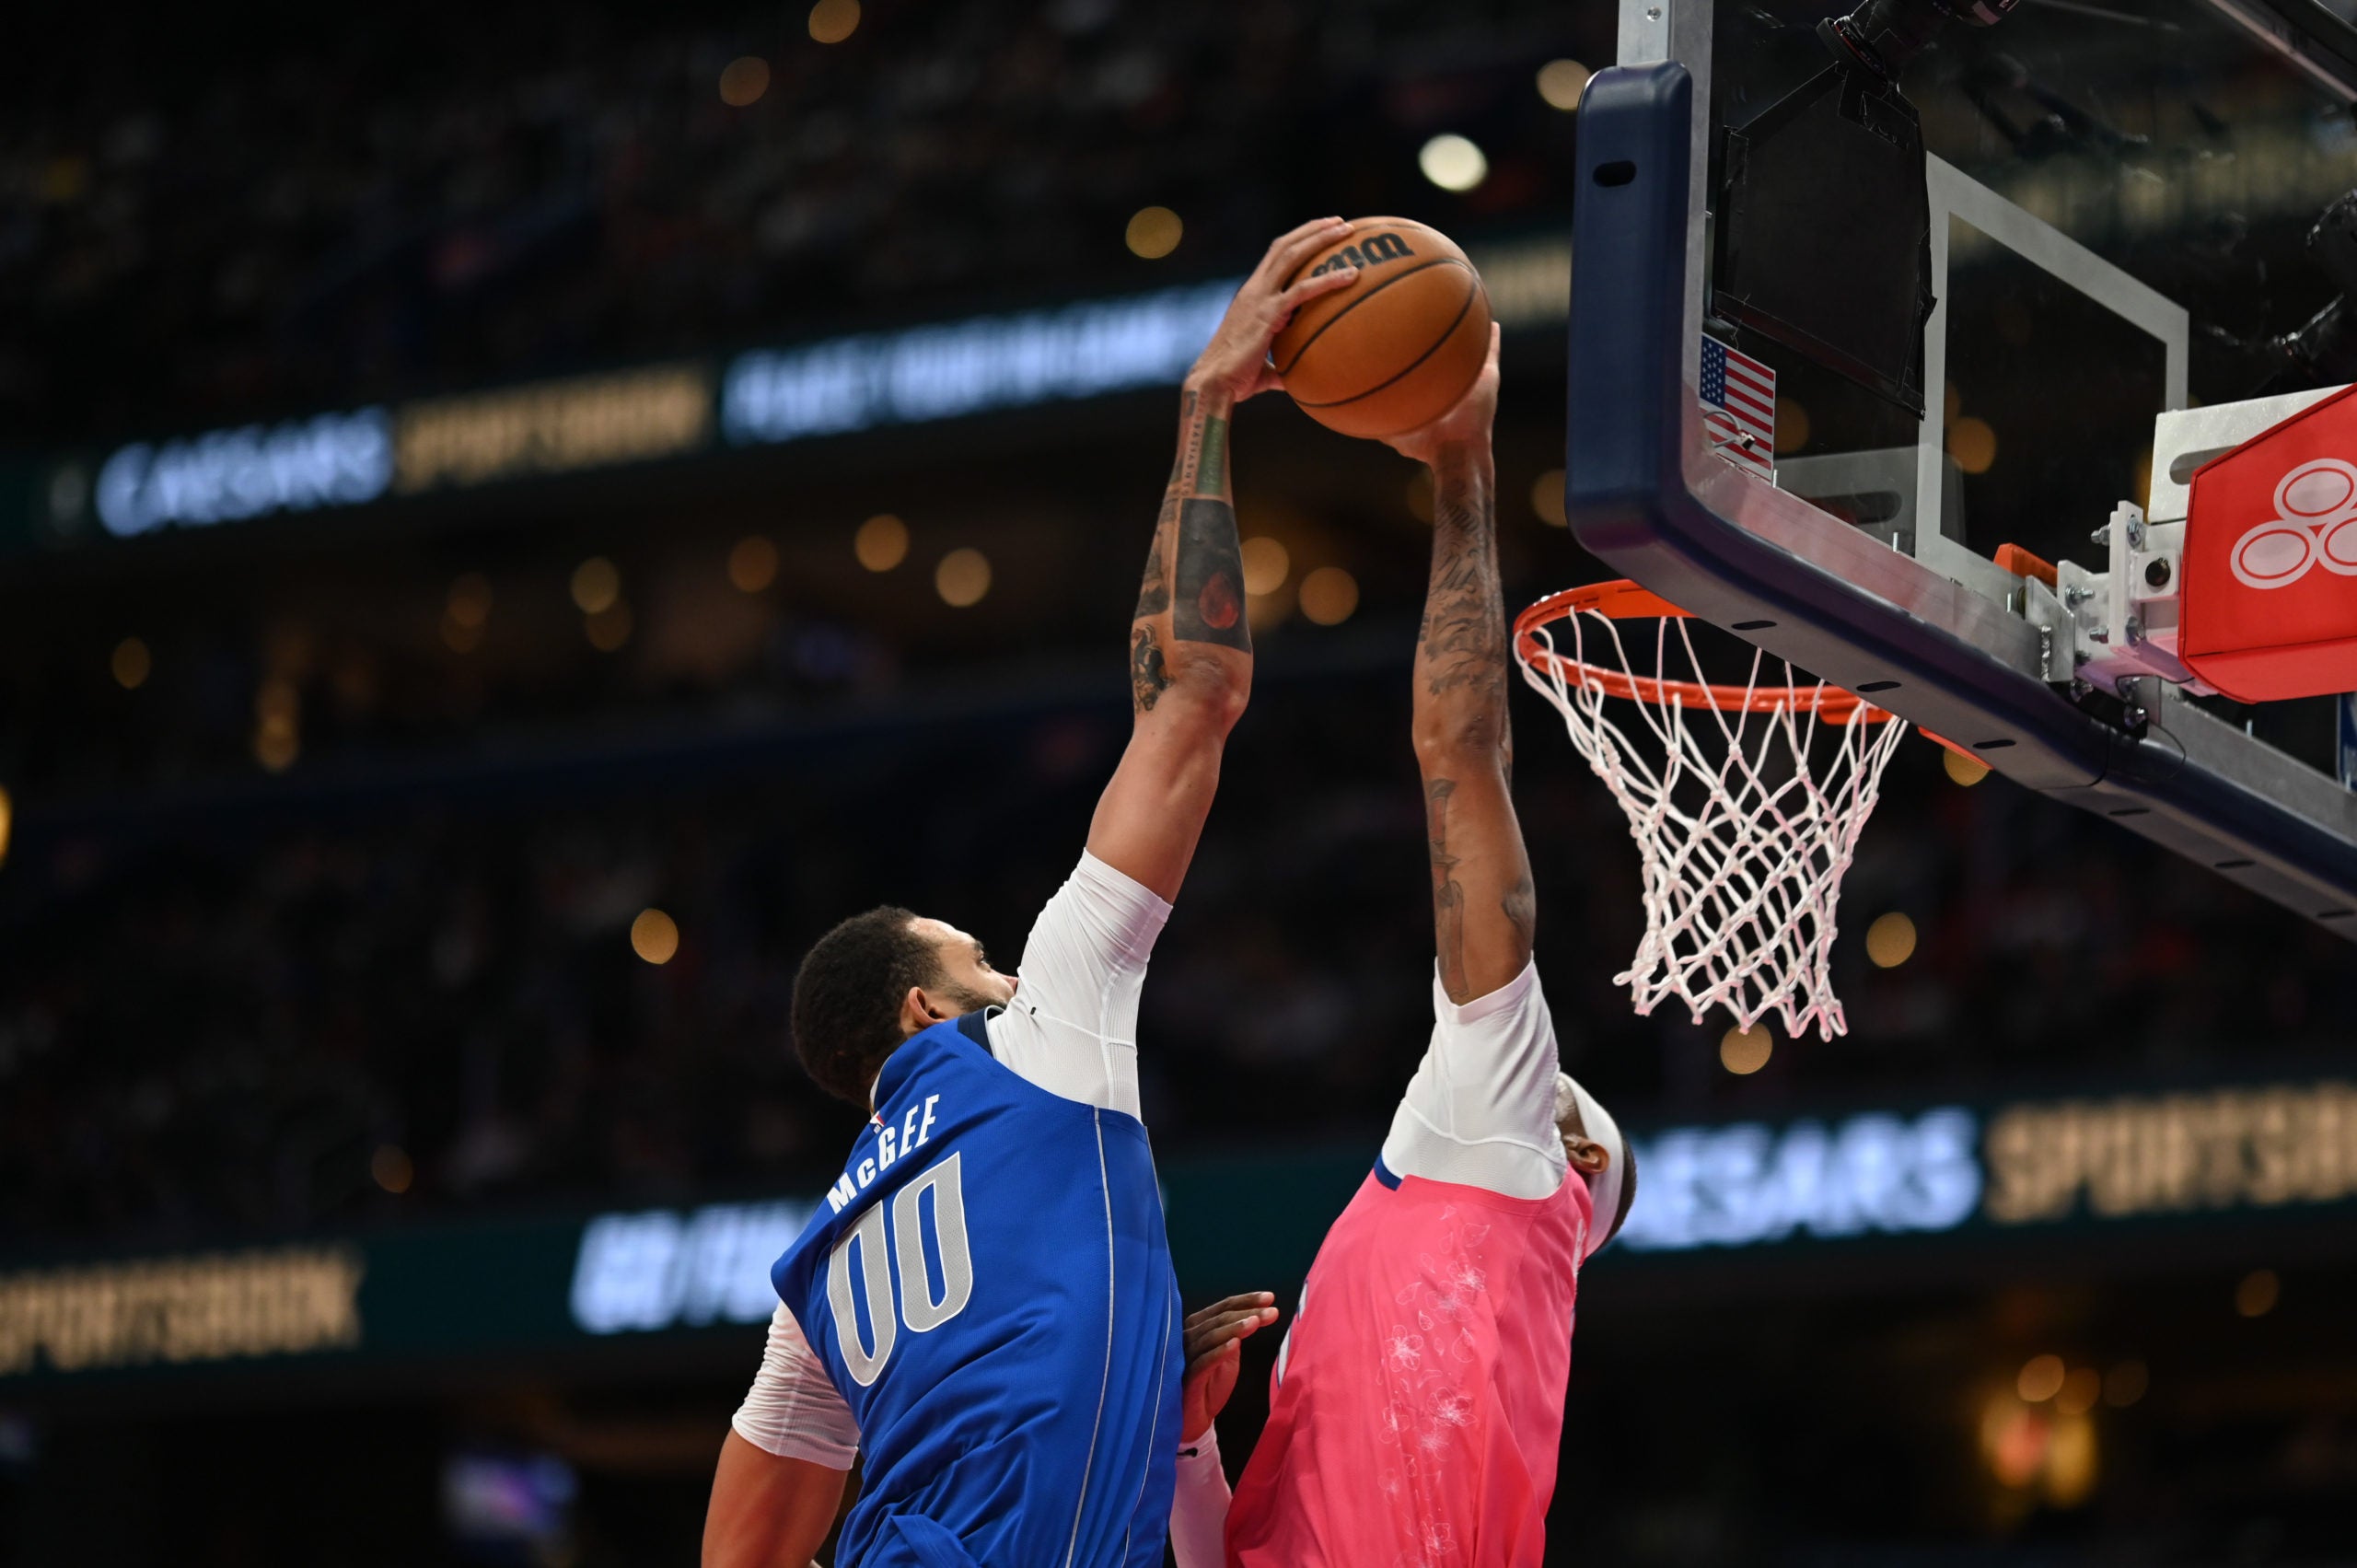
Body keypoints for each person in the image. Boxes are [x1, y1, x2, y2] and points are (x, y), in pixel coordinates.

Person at [699, 217, 1365, 1568]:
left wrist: (1133, 1395)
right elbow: (1197, 693)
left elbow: (745, 1546)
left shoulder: (817, 1275)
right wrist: (1207, 410)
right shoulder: (1042, 1035)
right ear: (920, 1008)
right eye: (979, 956)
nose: (1010, 969)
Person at [1167, 327, 1640, 1568]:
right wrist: (1191, 1450)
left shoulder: (1505, 1148)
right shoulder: (1451, 1216)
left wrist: (1464, 467)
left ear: (1571, 1147)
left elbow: (1463, 749)